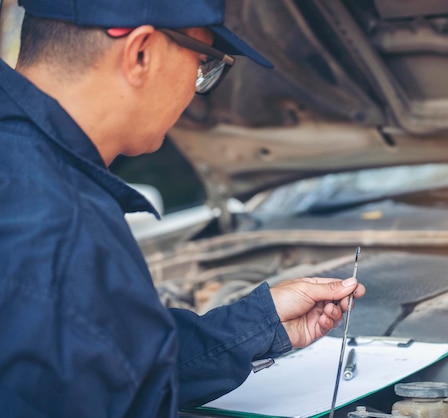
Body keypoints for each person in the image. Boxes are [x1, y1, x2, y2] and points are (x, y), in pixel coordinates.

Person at [0, 0, 366, 417]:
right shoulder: (59, 230)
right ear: (140, 53)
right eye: (202, 63)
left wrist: (259, 324)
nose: (196, 90)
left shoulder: (27, 180)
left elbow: (108, 356)